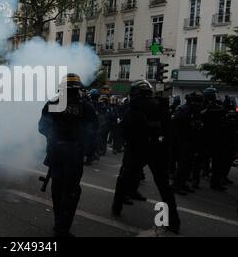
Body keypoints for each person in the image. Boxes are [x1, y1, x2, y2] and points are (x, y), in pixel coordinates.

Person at [111, 80, 180, 233]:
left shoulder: (133, 107)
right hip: (158, 151)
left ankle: (117, 207)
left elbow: (123, 130)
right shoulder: (161, 106)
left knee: (124, 179)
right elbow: (170, 131)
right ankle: (174, 221)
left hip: (136, 150)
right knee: (164, 186)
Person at [39, 73, 97, 237]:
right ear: (78, 89)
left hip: (55, 152)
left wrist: (54, 137)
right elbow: (93, 132)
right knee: (71, 191)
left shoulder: (52, 103)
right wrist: (87, 151)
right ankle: (63, 228)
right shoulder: (85, 107)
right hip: (74, 155)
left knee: (57, 189)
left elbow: (41, 127)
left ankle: (59, 224)